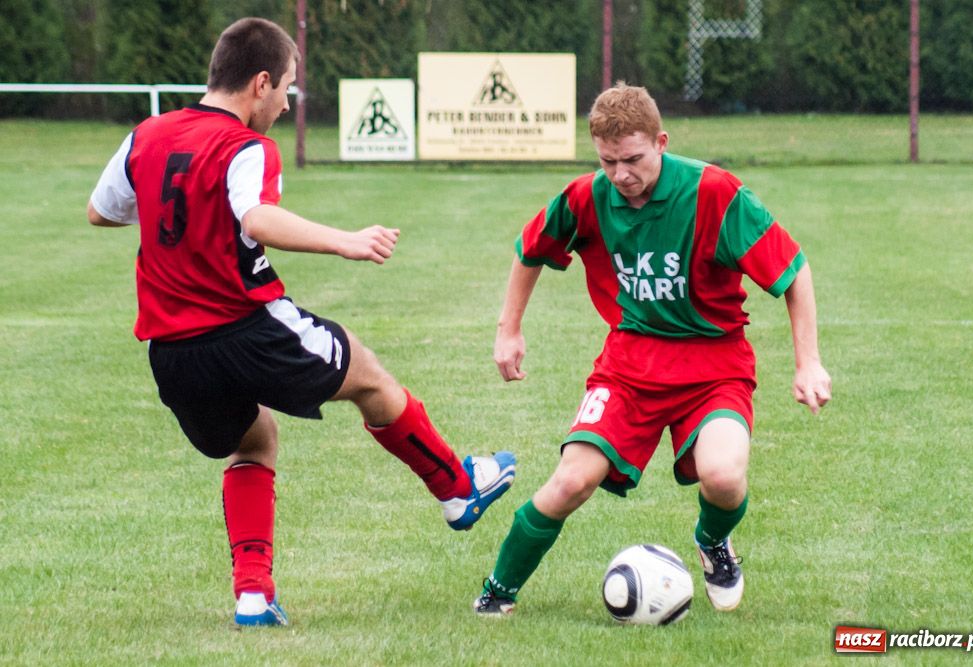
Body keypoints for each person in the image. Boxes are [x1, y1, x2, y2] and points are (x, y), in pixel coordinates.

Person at [86, 17, 515, 628]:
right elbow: (257, 219)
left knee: (253, 442)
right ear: (259, 82)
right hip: (246, 327)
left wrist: (174, 215)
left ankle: (254, 596)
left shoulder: (147, 135)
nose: (287, 103)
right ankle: (456, 490)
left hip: (172, 351)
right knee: (367, 374)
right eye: (287, 86)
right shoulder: (246, 147)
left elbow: (101, 212)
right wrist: (346, 241)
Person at [473, 83, 831, 616]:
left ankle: (713, 543)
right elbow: (532, 247)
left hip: (715, 366)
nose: (621, 174)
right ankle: (498, 593)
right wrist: (509, 329)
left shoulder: (715, 192)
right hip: (629, 367)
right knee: (571, 480)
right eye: (608, 161)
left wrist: (809, 362)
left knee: (724, 476)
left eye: (634, 159)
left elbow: (793, 272)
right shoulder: (587, 197)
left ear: (661, 141)